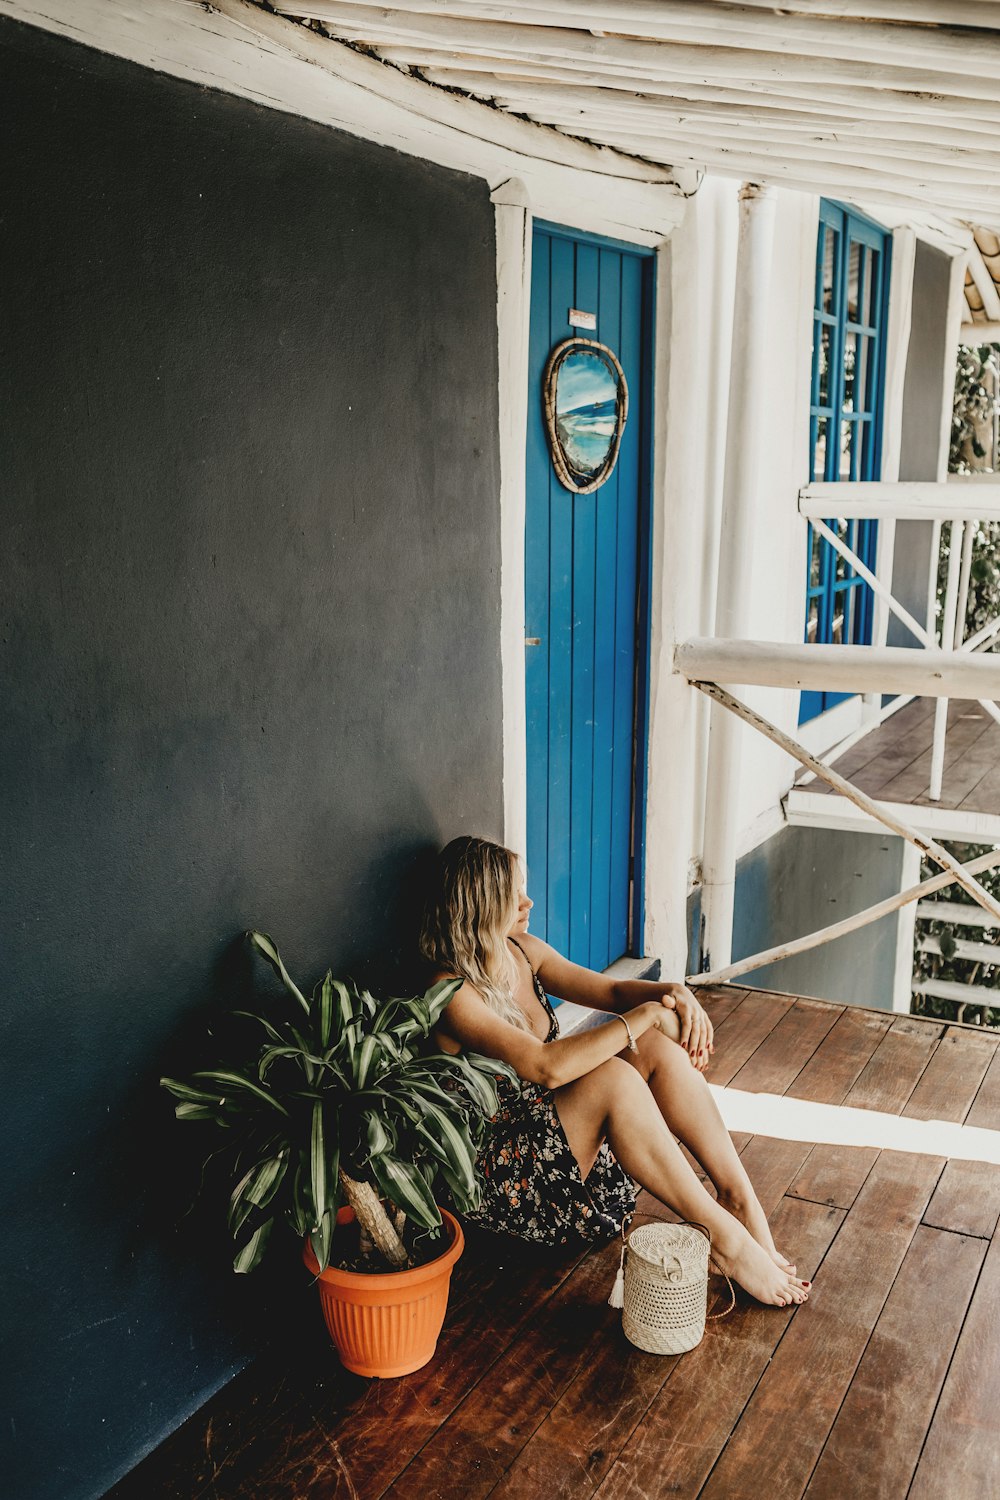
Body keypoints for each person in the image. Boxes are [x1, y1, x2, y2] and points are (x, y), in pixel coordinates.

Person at [420, 835, 809, 1308]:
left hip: (556, 1140)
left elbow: (612, 992)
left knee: (652, 1048)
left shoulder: (520, 951)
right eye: (512, 895)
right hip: (502, 1179)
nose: (528, 902)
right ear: (478, 906)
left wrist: (672, 992)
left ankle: (738, 1199)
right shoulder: (450, 992)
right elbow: (544, 1068)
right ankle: (726, 1240)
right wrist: (644, 1015)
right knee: (614, 1074)